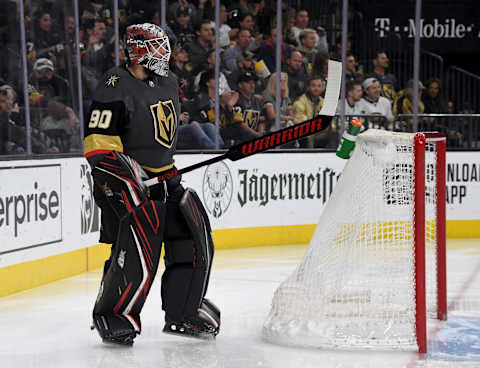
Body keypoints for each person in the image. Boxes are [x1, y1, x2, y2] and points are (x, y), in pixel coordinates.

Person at [84, 23, 220, 346]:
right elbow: (98, 149)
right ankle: (114, 313)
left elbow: (162, 134)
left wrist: (168, 173)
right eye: (158, 47)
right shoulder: (114, 86)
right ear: (138, 51)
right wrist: (131, 180)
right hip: (126, 184)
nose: (166, 53)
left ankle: (184, 310)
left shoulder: (168, 81)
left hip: (164, 178)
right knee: (139, 244)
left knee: (193, 233)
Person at [293, 76, 329, 148]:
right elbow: (302, 122)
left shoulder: (324, 102)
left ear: (322, 88)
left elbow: (330, 122)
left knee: (333, 133)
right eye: (313, 86)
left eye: (319, 86)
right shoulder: (300, 102)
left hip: (319, 132)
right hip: (304, 133)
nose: (316, 88)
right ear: (308, 87)